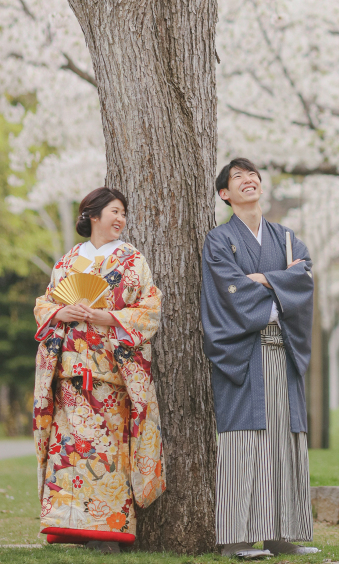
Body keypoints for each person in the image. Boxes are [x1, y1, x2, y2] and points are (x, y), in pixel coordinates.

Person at [32, 187, 165, 554]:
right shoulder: (68, 260)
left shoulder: (131, 260)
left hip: (110, 373)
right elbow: (44, 303)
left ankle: (107, 533)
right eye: (114, 211)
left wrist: (108, 317)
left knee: (107, 452)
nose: (120, 219)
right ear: (93, 215)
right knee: (69, 453)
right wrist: (61, 312)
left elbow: (149, 308)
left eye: (123, 213)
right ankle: (69, 526)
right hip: (70, 373)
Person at [202, 158, 318, 558]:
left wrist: (263, 279)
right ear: (224, 194)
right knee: (244, 442)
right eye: (238, 177)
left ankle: (281, 534)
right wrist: (280, 291)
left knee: (284, 440)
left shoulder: (286, 237)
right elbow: (227, 288)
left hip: (282, 353)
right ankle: (234, 540)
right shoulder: (219, 241)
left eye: (252, 175)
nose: (248, 180)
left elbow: (304, 277)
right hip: (244, 352)